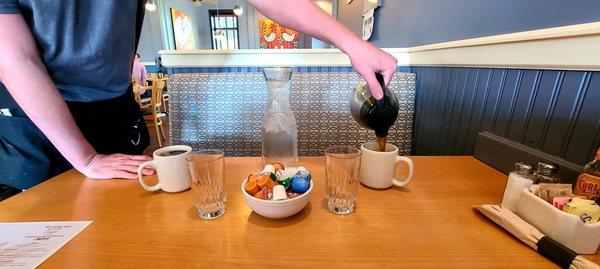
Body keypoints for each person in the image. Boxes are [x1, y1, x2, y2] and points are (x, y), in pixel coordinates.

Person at [0, 0, 397, 191]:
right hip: (36, 119)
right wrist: (85, 157)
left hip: (115, 107)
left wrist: (350, 43)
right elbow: (15, 58)